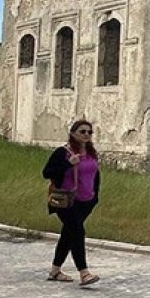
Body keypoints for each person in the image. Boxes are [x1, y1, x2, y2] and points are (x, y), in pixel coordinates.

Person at [43, 120, 102, 285]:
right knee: (78, 232)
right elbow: (47, 172)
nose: (86, 135)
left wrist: (95, 196)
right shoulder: (63, 152)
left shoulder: (90, 153)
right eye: (82, 131)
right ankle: (84, 273)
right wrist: (68, 164)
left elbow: (95, 174)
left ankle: (55, 270)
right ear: (73, 133)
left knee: (69, 234)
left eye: (89, 132)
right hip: (66, 201)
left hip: (86, 201)